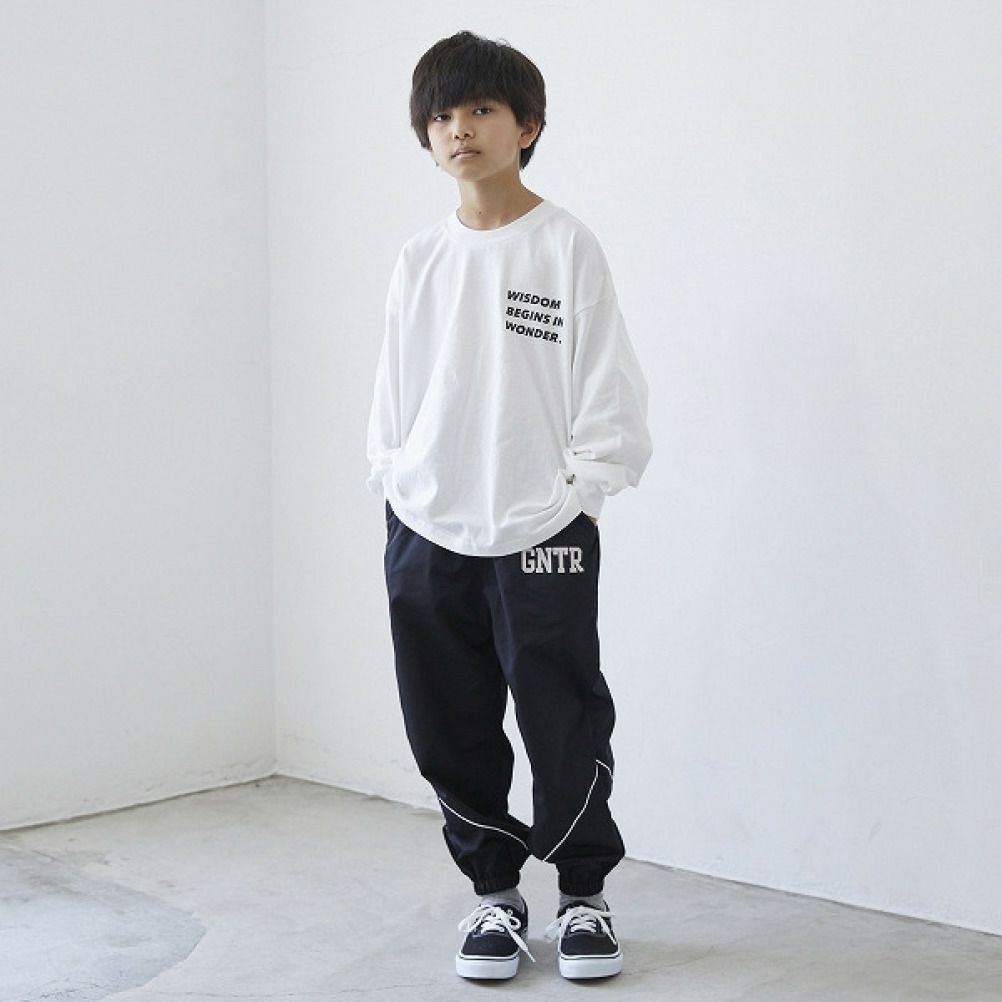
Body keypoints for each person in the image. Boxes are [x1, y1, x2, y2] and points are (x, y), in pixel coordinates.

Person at [366, 29, 652, 982]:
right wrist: (396, 480)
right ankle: (493, 894)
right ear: (426, 135)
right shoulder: (420, 259)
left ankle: (584, 896)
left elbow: (605, 380)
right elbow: (396, 389)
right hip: (428, 521)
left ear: (526, 126)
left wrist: (585, 491)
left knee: (563, 712)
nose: (461, 129)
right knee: (444, 716)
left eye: (482, 110)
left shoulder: (565, 246)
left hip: (542, 524)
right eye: (443, 115)